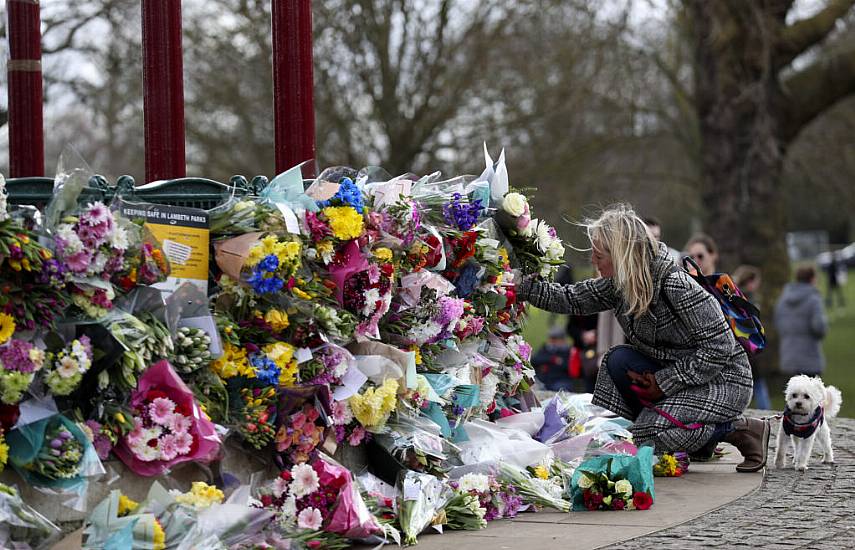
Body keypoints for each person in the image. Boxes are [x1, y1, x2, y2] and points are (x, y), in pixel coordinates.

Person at [518, 204, 767, 473]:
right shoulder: (619, 284)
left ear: (621, 256)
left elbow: (720, 347)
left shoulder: (674, 285)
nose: (593, 260)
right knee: (616, 360)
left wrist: (664, 382)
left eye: (599, 254)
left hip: (724, 380)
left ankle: (738, 429)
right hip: (682, 373)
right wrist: (517, 285)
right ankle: (652, 439)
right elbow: (571, 298)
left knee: (647, 435)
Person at [774, 266, 828, 377]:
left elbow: (778, 323)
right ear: (812, 279)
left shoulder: (783, 299)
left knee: (795, 392)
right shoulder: (814, 299)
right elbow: (819, 327)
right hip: (810, 356)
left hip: (789, 356)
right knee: (812, 393)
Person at [732, 265, 771, 410]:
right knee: (759, 385)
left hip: (739, 347)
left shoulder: (731, 296)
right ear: (750, 281)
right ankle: (765, 411)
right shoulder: (750, 300)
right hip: (750, 348)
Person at [532, 326, 574, 392]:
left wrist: (547, 363)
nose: (552, 341)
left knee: (560, 389)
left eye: (555, 338)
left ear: (562, 339)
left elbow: (567, 366)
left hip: (561, 381)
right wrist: (552, 359)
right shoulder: (545, 348)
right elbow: (535, 360)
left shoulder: (568, 351)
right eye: (551, 338)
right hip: (543, 380)